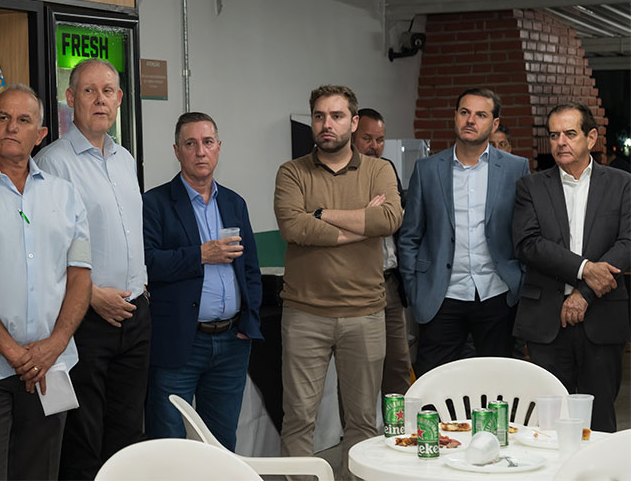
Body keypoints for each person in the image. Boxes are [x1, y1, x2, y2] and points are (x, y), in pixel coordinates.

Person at [0, 85, 93, 479]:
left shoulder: (66, 195)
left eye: (24, 120)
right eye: (3, 118)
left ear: (40, 134)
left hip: (51, 370)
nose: (12, 127)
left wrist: (55, 344)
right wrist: (14, 353)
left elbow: (80, 275)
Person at [274, 86, 402, 479]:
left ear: (354, 121)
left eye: (336, 116)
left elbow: (388, 220)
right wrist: (361, 223)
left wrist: (321, 213)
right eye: (319, 116)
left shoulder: (378, 170)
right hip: (304, 314)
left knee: (362, 421)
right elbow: (294, 227)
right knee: (299, 419)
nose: (326, 124)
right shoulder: (292, 172)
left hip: (365, 314)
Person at [35, 58, 150, 480]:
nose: (100, 99)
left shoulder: (125, 159)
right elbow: (44, 251)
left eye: (108, 91)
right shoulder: (52, 163)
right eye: (89, 91)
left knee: (128, 434)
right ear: (70, 98)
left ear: (119, 99)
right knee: (83, 438)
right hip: (86, 319)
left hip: (135, 315)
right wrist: (92, 296)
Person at [142, 112, 263, 450]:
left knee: (221, 443)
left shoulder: (234, 203)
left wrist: (249, 322)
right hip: (180, 341)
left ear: (218, 147)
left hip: (231, 342)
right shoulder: (155, 203)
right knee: (169, 443)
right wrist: (200, 254)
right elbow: (148, 264)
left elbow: (251, 269)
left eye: (207, 142)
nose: (200, 152)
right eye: (190, 144)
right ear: (177, 151)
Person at [512, 102, 630, 432]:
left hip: (602, 317)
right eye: (554, 135)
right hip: (545, 321)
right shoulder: (530, 186)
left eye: (570, 133)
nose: (560, 142)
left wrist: (584, 292)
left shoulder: (622, 183)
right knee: (547, 424)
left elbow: (628, 243)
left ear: (591, 138)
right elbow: (527, 244)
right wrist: (584, 268)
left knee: (599, 421)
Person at [398, 88, 530, 378]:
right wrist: (414, 287)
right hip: (441, 295)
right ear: (455, 116)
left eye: (481, 114)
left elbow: (526, 232)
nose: (471, 120)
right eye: (465, 112)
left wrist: (520, 279)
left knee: (497, 384)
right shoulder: (427, 169)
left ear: (494, 123)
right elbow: (410, 235)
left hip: (497, 293)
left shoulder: (516, 168)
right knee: (433, 383)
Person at [352, 108, 411, 395]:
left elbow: (395, 220)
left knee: (398, 364)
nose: (374, 146)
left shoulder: (387, 169)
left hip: (390, 283)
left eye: (380, 140)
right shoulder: (342, 174)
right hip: (357, 284)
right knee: (360, 371)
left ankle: (397, 423)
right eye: (367, 138)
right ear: (352, 135)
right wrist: (369, 216)